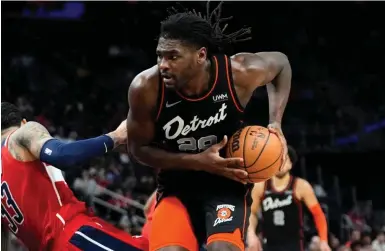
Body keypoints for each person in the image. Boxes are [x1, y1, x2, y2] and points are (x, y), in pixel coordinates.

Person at [126, 1, 292, 251]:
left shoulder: (238, 73)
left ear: (201, 55)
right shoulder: (146, 88)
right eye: (160, 55)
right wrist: (198, 161)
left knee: (222, 249)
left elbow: (281, 64)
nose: (163, 65)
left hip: (227, 183)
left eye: (173, 56)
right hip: (176, 185)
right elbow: (138, 149)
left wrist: (276, 123)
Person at [1, 102, 146, 251]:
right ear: (23, 122)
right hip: (71, 236)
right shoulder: (21, 134)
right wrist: (116, 136)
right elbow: (63, 155)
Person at [247, 145, 331, 251]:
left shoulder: (301, 186)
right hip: (269, 245)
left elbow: (318, 214)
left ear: (290, 164)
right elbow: (252, 213)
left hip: (295, 245)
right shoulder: (261, 186)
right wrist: (251, 234)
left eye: (284, 159)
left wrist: (323, 240)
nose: (280, 163)